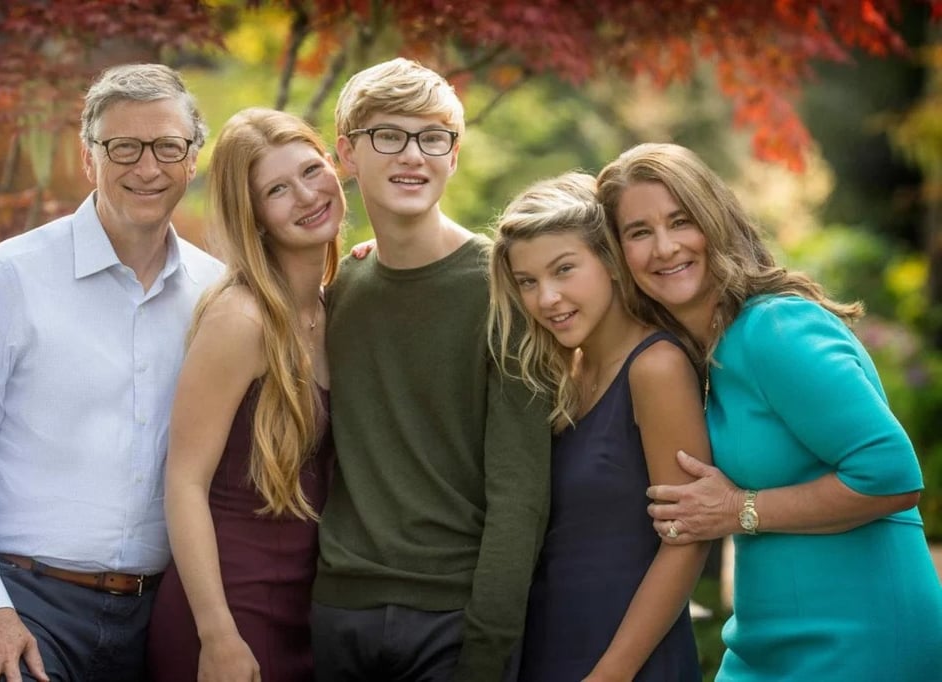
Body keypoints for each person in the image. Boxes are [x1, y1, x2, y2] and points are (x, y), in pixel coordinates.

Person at [0, 63, 224, 682]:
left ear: (192, 160)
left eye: (168, 147)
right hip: (25, 604)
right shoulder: (10, 277)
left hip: (159, 615)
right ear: (89, 160)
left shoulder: (214, 295)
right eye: (123, 147)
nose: (148, 167)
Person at [596, 142, 942, 681]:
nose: (664, 248)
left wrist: (739, 509)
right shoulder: (701, 355)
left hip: (861, 639)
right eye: (639, 232)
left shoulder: (775, 328)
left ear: (716, 221)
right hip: (764, 643)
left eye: (680, 221)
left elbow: (893, 477)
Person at [310, 57, 551, 682]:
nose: (412, 155)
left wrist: (490, 644)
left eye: (432, 138)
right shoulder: (339, 289)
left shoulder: (504, 290)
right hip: (340, 609)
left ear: (454, 155)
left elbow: (519, 496)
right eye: (388, 136)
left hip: (455, 617)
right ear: (347, 154)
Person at [146, 107, 343, 682]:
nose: (306, 196)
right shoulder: (242, 318)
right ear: (253, 215)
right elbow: (184, 482)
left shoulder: (338, 308)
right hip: (229, 614)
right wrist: (217, 634)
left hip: (307, 612)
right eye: (277, 190)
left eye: (311, 170)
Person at [487, 172, 708, 682]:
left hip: (626, 661)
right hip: (547, 647)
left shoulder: (656, 368)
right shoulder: (566, 373)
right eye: (527, 282)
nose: (546, 299)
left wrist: (612, 672)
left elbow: (687, 540)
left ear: (609, 262)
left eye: (564, 269)